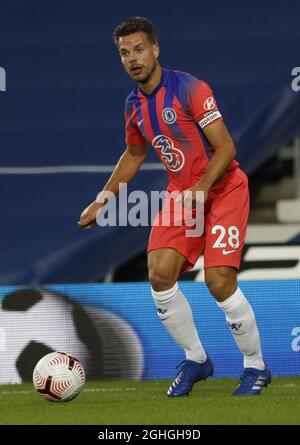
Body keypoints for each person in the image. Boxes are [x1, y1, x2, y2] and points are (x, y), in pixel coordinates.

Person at [78, 17, 271, 397]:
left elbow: (227, 147)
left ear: (155, 49)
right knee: (159, 273)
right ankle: (196, 359)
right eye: (124, 53)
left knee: (219, 282)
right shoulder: (133, 105)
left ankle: (256, 367)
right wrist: (104, 198)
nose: (132, 58)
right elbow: (135, 153)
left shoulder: (189, 88)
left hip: (223, 189)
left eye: (138, 49)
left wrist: (202, 187)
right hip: (183, 194)